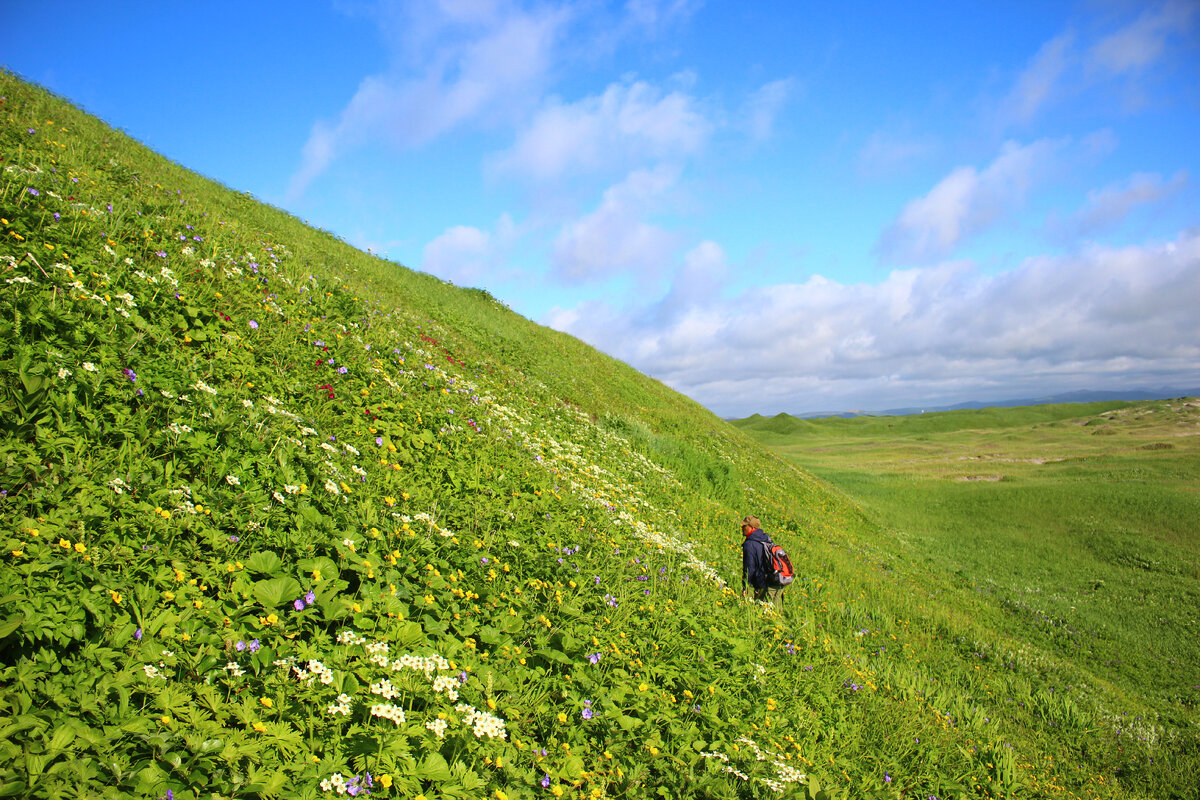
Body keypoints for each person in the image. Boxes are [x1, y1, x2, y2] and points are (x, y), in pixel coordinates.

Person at [740, 515, 784, 612]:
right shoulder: (766, 538)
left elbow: (749, 567)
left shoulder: (750, 544)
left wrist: (745, 586)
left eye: (745, 526)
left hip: (763, 582)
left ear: (752, 528)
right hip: (777, 579)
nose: (742, 528)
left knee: (762, 612)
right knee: (777, 613)